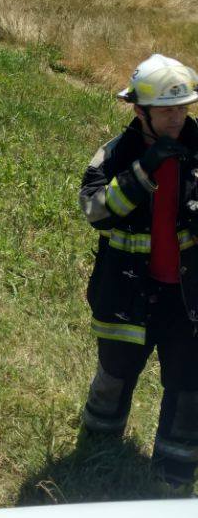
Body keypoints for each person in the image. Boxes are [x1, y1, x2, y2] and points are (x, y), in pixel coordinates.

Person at [79, 53, 198, 487]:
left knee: (189, 388)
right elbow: (95, 211)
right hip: (126, 294)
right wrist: (143, 171)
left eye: (183, 108)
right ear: (140, 111)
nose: (177, 119)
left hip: (188, 301)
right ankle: (96, 449)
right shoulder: (116, 154)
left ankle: (174, 474)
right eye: (166, 110)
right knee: (115, 373)